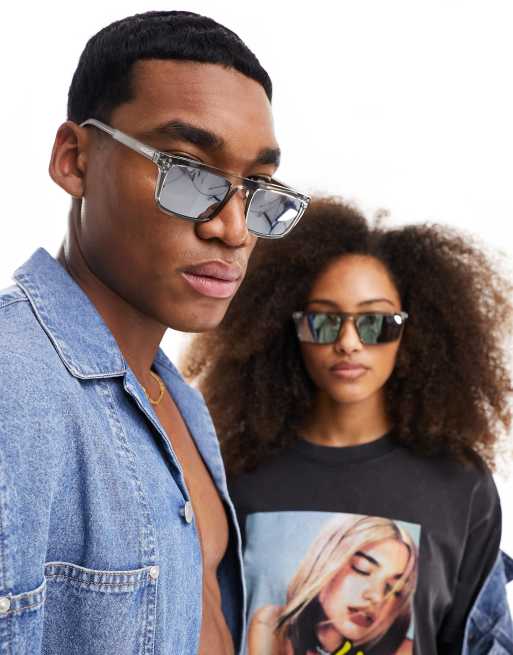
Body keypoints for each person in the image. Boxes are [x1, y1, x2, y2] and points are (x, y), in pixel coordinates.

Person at [0, 11, 309, 655]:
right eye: (189, 171)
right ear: (75, 160)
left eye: (256, 188)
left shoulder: (180, 400)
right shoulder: (12, 391)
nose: (233, 229)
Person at [183, 197, 513, 654]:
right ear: (285, 328)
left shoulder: (459, 484)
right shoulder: (235, 472)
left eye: (375, 324)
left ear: (414, 332)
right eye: (324, 322)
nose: (349, 343)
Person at [248, 514, 418, 655]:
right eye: (362, 569)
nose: (377, 596)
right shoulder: (272, 625)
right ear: (325, 562)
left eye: (395, 589)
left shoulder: (406, 651)